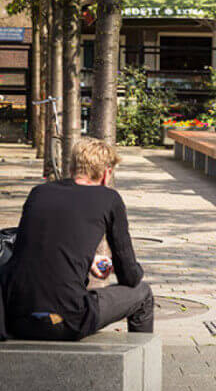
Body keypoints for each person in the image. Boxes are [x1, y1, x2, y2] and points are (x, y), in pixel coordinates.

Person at [2, 139, 153, 341]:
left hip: (16, 316)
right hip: (66, 319)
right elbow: (130, 277)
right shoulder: (109, 198)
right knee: (142, 294)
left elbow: (41, 246)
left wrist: (85, 261)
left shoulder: (39, 192)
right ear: (107, 172)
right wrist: (120, 266)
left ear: (73, 167)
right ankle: (140, 370)